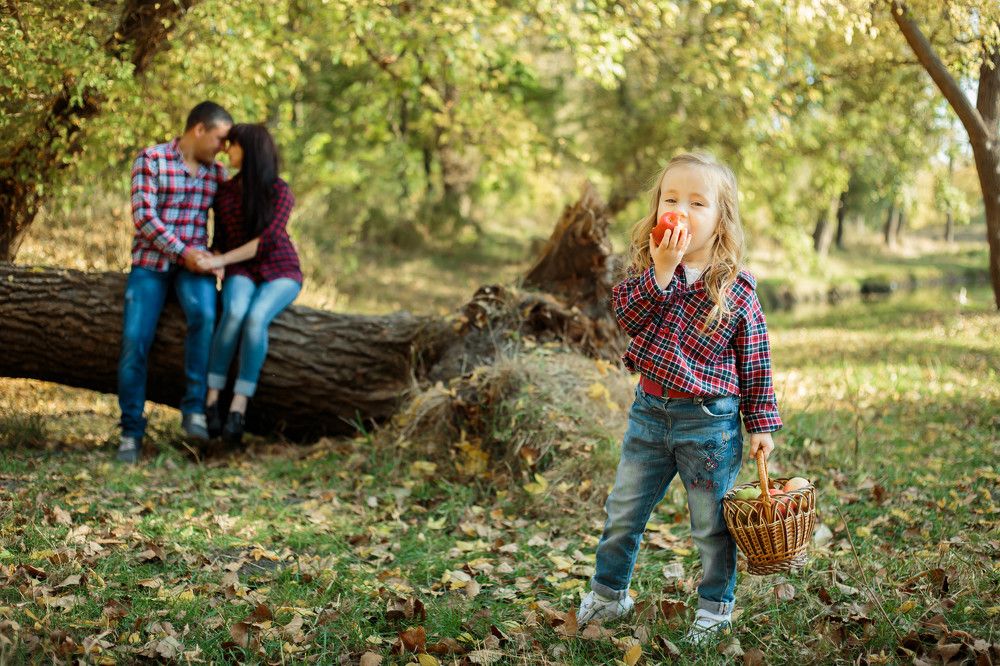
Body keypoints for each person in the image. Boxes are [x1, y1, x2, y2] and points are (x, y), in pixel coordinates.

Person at [575, 151, 782, 645]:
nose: (682, 210)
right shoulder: (649, 268)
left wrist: (760, 423)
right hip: (649, 412)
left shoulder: (736, 286)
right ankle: (608, 595)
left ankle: (715, 607)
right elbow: (627, 319)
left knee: (710, 523)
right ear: (657, 209)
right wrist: (662, 272)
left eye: (697, 202)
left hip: (709, 422)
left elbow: (755, 359)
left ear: (720, 218)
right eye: (672, 199)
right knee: (623, 510)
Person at [117, 101, 233, 464]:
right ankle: (131, 431)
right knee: (136, 339)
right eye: (219, 139)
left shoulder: (217, 174)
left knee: (204, 316)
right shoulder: (150, 159)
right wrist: (186, 253)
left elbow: (228, 220)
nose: (223, 148)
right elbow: (145, 219)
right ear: (198, 129)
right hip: (151, 264)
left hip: (193, 269)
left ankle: (194, 409)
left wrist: (217, 257)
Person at [197, 123, 302, 448]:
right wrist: (213, 259)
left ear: (250, 149)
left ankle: (239, 407)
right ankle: (212, 399)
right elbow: (221, 241)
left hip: (281, 270)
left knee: (256, 319)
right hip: (239, 269)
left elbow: (265, 242)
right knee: (234, 313)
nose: (227, 150)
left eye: (233, 145)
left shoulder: (280, 191)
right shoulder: (225, 192)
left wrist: (220, 261)